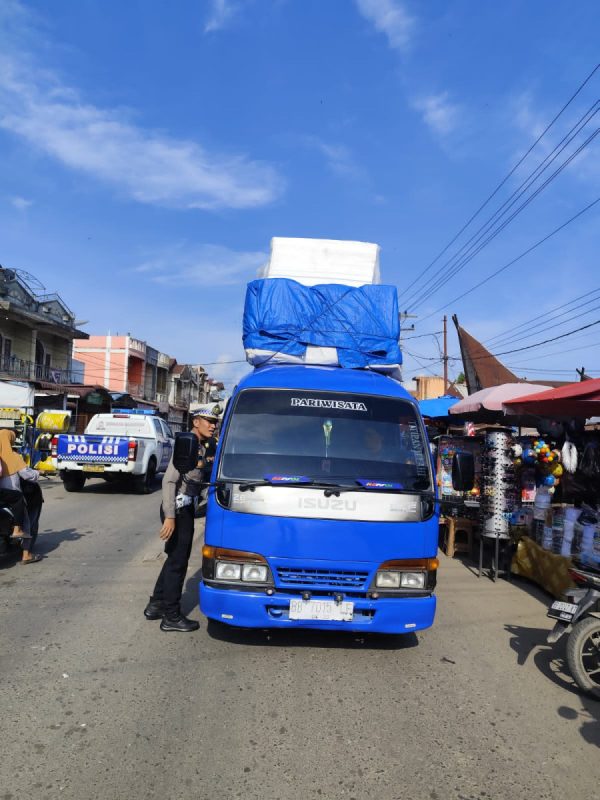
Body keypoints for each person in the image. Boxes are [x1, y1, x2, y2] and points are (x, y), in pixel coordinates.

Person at [144, 404, 221, 632]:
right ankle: (171, 616)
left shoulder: (202, 445)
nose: (213, 425)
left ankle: (156, 604)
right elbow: (169, 481)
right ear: (195, 421)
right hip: (177, 509)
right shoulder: (187, 444)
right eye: (208, 421)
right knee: (178, 563)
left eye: (214, 421)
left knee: (173, 559)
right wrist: (170, 517)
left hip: (185, 508)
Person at [0, 429, 43, 564]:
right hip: (11, 496)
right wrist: (38, 473)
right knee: (27, 522)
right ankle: (26, 555)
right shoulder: (13, 456)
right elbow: (27, 474)